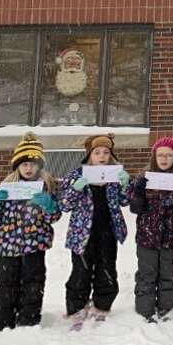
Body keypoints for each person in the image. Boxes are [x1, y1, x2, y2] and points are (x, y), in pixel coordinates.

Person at [0, 132, 60, 330]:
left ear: (39, 166)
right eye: (24, 164)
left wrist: (49, 206)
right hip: (8, 246)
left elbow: (54, 218)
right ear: (17, 166)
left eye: (33, 164)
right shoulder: (7, 188)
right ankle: (2, 320)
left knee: (33, 283)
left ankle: (29, 319)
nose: (28, 168)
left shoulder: (47, 187)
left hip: (35, 245)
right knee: (6, 284)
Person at [59, 132, 129, 327]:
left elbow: (125, 201)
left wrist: (125, 185)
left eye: (106, 152)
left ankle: (102, 305)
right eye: (97, 152)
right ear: (89, 154)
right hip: (82, 234)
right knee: (81, 271)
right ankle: (76, 307)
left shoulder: (114, 175)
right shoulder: (76, 175)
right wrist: (76, 189)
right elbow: (64, 205)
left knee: (106, 269)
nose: (102, 156)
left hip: (107, 231)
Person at [126, 134, 173, 322]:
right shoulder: (144, 178)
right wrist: (139, 191)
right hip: (147, 238)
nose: (164, 159)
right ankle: (145, 311)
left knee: (168, 274)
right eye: (161, 155)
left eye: (169, 155)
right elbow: (135, 208)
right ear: (154, 157)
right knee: (146, 275)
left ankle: (166, 309)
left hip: (171, 238)